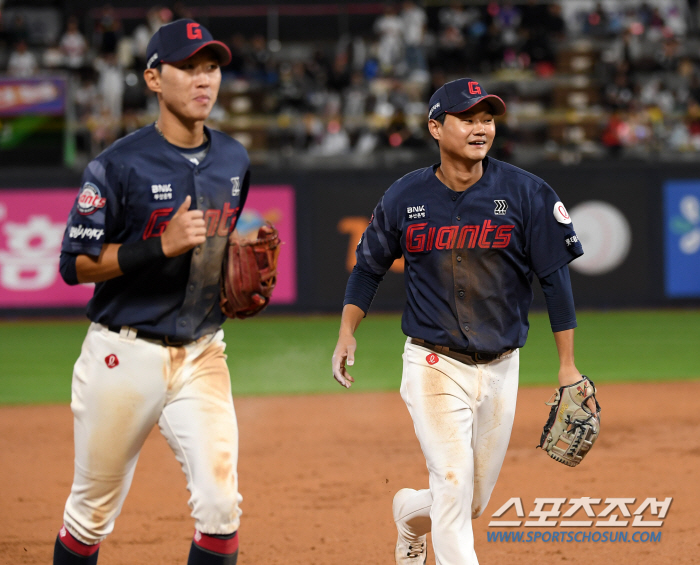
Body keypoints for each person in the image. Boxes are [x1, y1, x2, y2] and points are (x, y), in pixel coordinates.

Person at [331, 78, 599, 564]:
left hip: (502, 366)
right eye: (468, 118)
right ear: (436, 127)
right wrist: (347, 331)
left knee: (469, 502)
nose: (481, 128)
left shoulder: (527, 193)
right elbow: (367, 268)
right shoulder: (405, 197)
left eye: (488, 118)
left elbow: (556, 283)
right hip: (434, 362)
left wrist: (568, 366)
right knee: (454, 488)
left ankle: (408, 515)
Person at [55, 19, 248, 565]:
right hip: (124, 354)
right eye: (187, 67)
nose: (203, 79)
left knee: (221, 508)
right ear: (154, 79)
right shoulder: (117, 164)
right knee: (89, 517)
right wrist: (157, 248)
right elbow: (75, 265)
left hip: (202, 352)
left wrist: (233, 260)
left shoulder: (234, 160)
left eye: (210, 66)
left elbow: (218, 244)